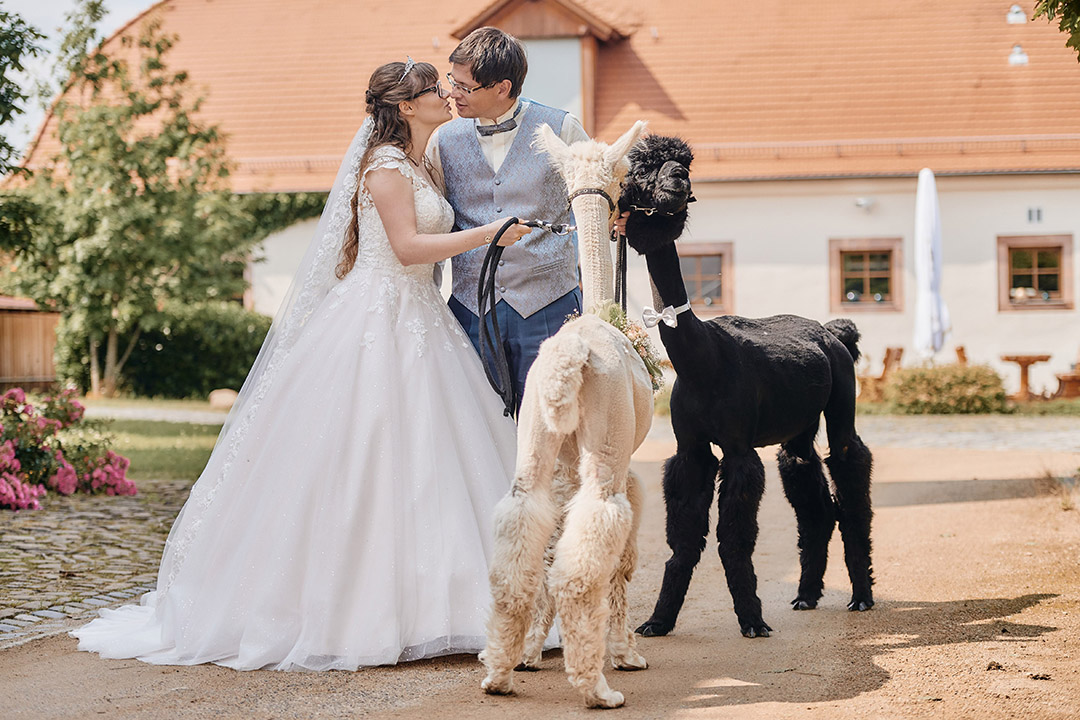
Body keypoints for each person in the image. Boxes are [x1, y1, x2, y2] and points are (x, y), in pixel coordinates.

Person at [71, 59, 532, 671]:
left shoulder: (423, 162)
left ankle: (444, 605)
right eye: (433, 89)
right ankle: (354, 610)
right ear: (405, 106)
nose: (446, 95)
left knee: (434, 458)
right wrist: (488, 235)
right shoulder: (386, 167)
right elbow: (406, 248)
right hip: (376, 319)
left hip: (423, 317)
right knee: (364, 453)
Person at [427, 27, 590, 414]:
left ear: (503, 88)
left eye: (465, 87)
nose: (452, 94)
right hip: (470, 310)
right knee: (476, 425)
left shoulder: (562, 128)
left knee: (553, 421)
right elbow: (429, 222)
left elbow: (598, 198)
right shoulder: (441, 140)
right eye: (453, 81)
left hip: (551, 305)